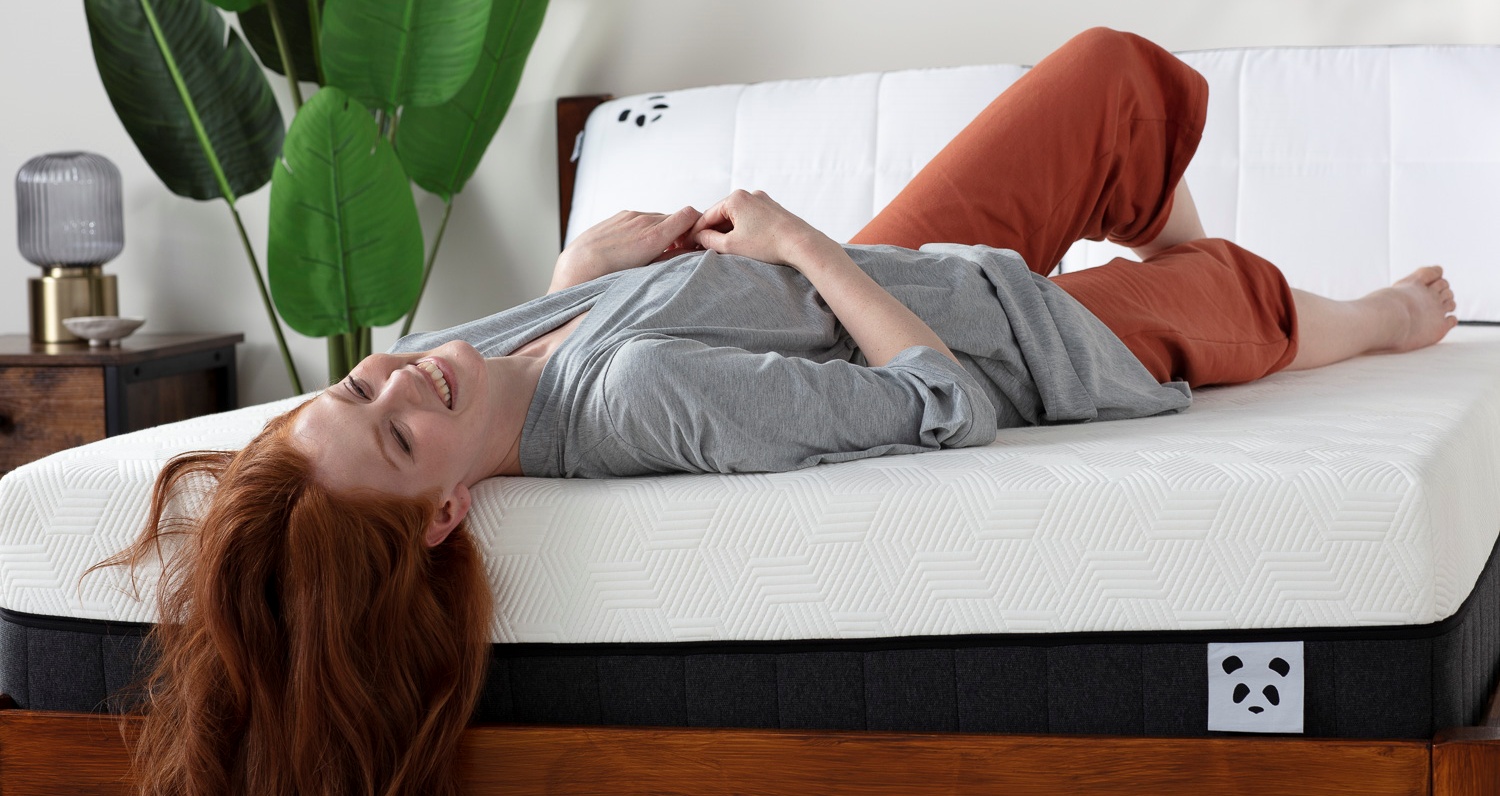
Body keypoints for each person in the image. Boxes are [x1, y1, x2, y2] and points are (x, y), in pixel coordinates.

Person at [101, 27, 1456, 796]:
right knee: (1248, 304)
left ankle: (1167, 257)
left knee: (1111, 79)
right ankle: (1369, 315)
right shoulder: (641, 401)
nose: (401, 377)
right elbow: (942, 407)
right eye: (396, 429)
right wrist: (802, 245)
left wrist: (581, 276)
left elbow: (487, 368)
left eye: (360, 382)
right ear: (452, 507)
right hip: (1016, 340)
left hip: (906, 258)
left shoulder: (459, 357)